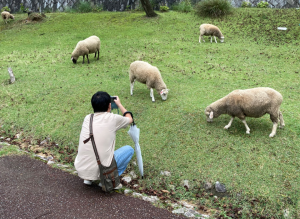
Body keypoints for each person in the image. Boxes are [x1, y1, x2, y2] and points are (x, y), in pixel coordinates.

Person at [74, 91, 134, 189]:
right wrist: (119, 104)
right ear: (109, 105)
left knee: (93, 148)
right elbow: (129, 119)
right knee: (129, 149)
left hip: (81, 169)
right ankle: (108, 180)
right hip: (102, 170)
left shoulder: (88, 118)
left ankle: (88, 179)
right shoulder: (113, 118)